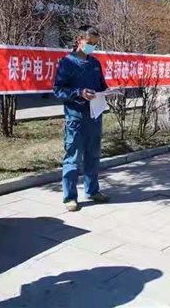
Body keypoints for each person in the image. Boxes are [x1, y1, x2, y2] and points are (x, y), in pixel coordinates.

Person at [53, 26, 110, 212]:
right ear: (79, 40)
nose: (92, 46)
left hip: (94, 115)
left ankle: (92, 190)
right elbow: (58, 90)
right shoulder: (67, 63)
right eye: (89, 42)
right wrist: (79, 92)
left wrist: (109, 92)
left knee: (93, 155)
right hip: (75, 117)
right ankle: (70, 197)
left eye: (95, 44)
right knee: (73, 157)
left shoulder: (95, 63)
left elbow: (102, 86)